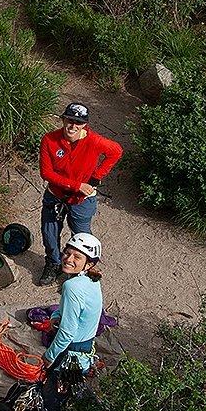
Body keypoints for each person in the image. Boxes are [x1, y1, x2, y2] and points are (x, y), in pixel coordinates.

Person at [37, 102, 122, 286]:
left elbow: (116, 152)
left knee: (82, 237)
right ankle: (53, 262)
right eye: (69, 120)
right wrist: (77, 185)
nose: (73, 126)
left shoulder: (94, 141)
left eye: (78, 122)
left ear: (85, 124)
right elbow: (46, 173)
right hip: (55, 195)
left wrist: (96, 178)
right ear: (63, 119)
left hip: (82, 200)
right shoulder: (49, 140)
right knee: (49, 233)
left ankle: (81, 270)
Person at [43, 232, 103, 374]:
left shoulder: (72, 286)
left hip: (71, 352)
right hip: (84, 347)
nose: (68, 259)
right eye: (67, 253)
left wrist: (49, 356)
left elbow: (67, 332)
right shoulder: (93, 279)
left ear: (88, 264)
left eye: (77, 257)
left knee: (51, 391)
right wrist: (55, 316)